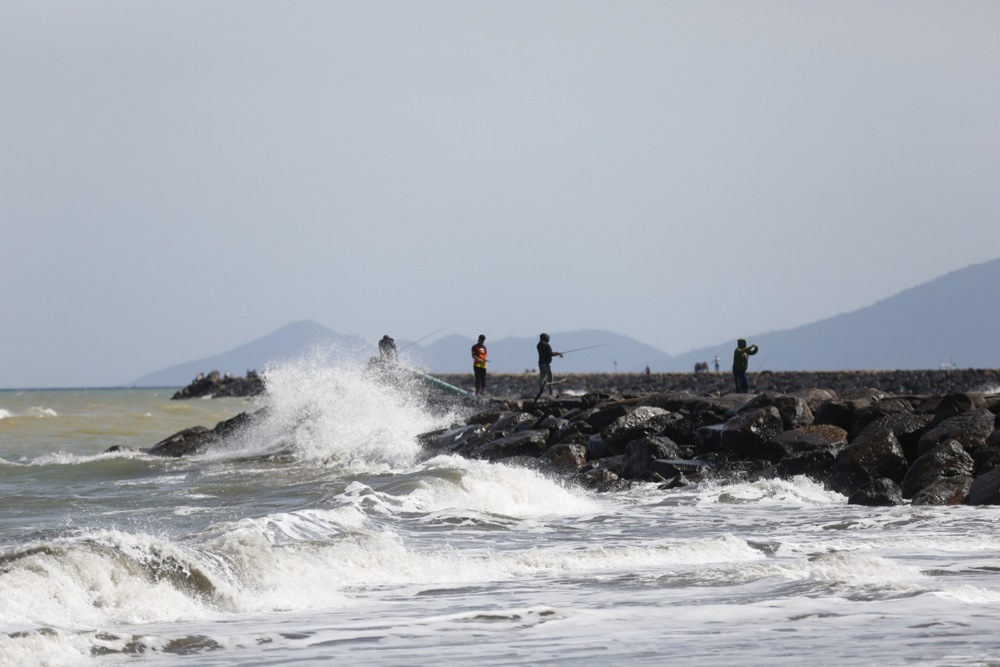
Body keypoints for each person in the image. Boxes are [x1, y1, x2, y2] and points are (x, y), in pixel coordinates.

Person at [536, 333, 563, 399]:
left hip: (540, 364)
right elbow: (550, 354)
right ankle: (551, 393)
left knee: (542, 379)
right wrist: (558, 353)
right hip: (546, 365)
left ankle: (540, 392)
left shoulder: (538, 345)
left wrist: (557, 353)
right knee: (550, 379)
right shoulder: (547, 345)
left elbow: (548, 354)